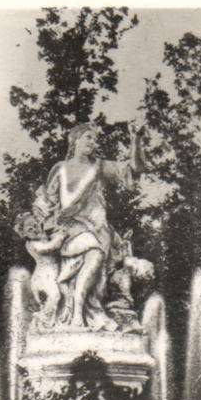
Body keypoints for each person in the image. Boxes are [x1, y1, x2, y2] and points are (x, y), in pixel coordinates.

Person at [18, 121, 149, 330]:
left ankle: (88, 314)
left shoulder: (99, 166)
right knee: (94, 254)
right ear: (75, 140)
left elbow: (134, 169)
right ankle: (79, 313)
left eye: (95, 139)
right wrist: (44, 225)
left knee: (100, 272)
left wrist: (136, 139)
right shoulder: (60, 169)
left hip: (99, 230)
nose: (93, 142)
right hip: (70, 230)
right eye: (89, 137)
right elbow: (45, 201)